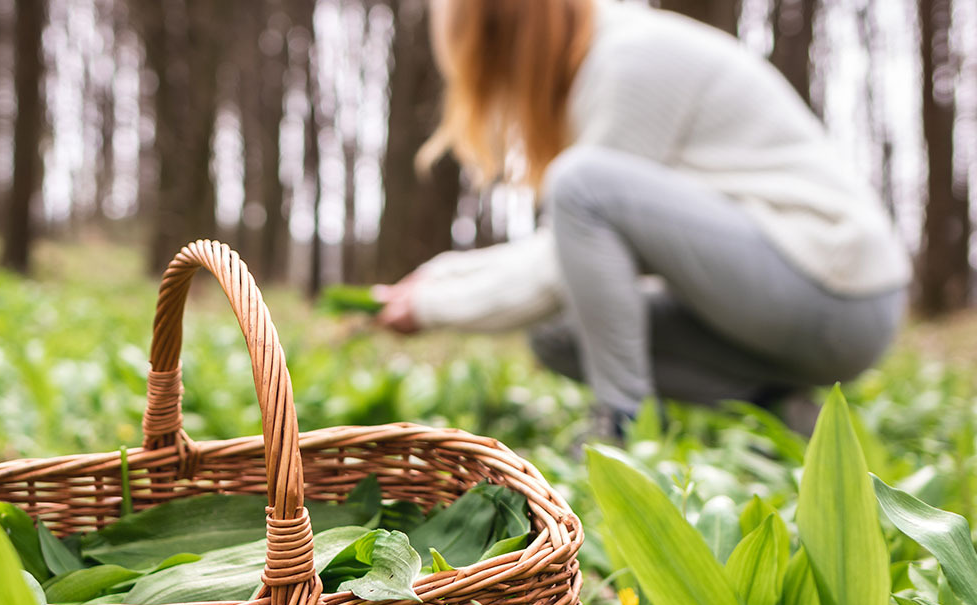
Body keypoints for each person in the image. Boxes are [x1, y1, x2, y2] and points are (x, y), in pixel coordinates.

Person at [373, 0, 910, 436]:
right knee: (558, 335)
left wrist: (431, 306)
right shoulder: (598, 63)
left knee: (579, 184)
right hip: (784, 304)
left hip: (837, 292)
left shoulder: (632, 57)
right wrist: (440, 277)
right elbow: (562, 254)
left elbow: (562, 245)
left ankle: (622, 424)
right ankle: (778, 408)